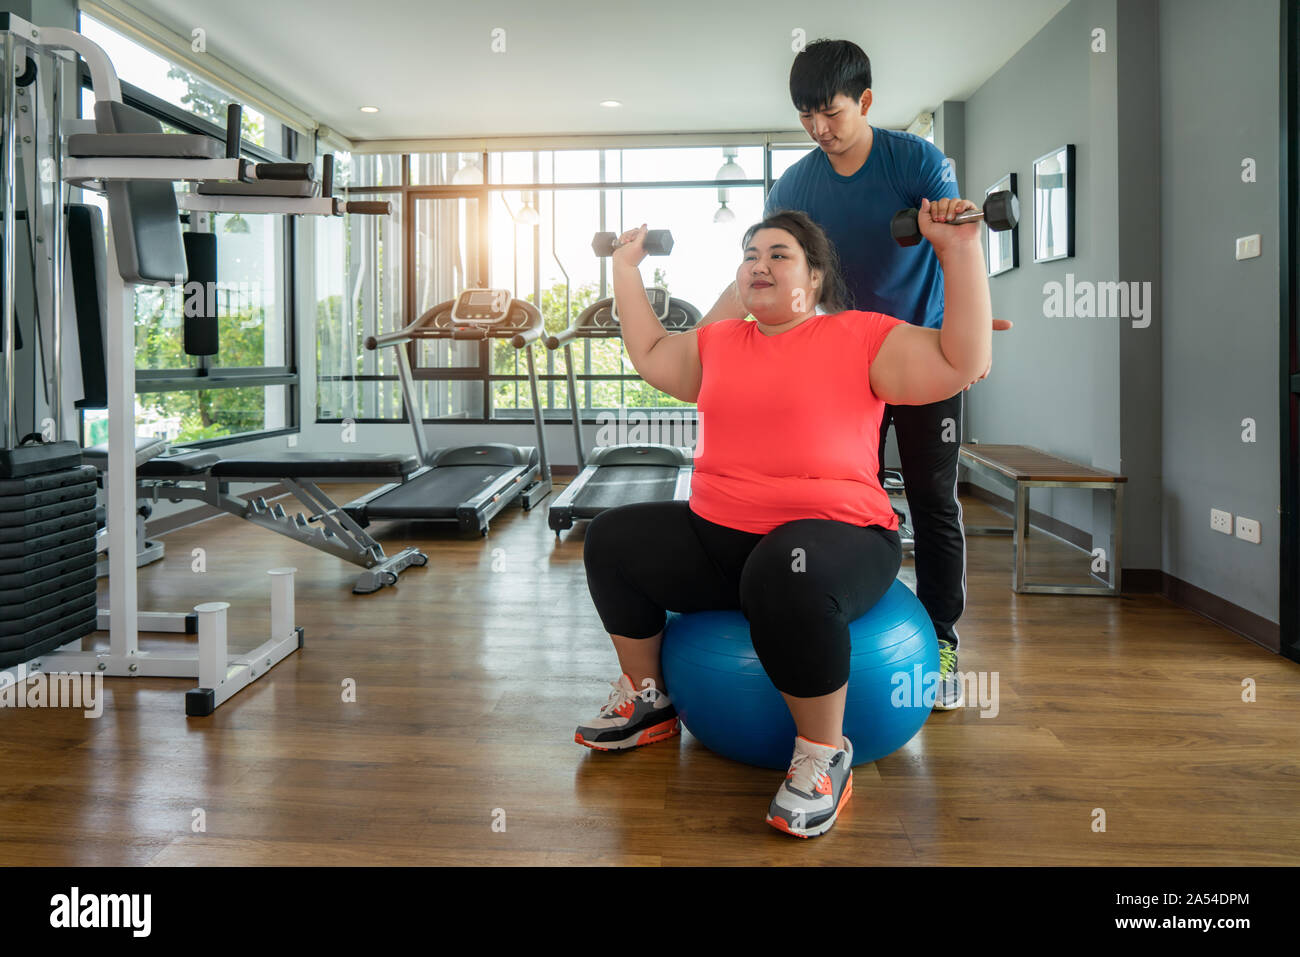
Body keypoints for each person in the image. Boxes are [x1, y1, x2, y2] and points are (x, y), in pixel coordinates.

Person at [574, 204, 992, 838]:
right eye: (749, 255)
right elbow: (652, 351)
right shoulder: (718, 343)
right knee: (613, 539)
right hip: (722, 536)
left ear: (815, 278)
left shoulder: (861, 336)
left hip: (842, 537)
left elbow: (961, 360)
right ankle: (649, 697)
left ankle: (824, 755)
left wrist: (959, 249)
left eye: (778, 255)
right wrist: (624, 268)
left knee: (784, 569)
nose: (759, 264)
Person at [698, 39, 1011, 710]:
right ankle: (832, 616)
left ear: (866, 102)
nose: (818, 129)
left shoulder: (917, 162)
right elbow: (780, 275)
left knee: (931, 501)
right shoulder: (794, 187)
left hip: (916, 356)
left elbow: (956, 248)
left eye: (831, 113)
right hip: (835, 369)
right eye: (806, 116)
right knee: (830, 503)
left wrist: (968, 333)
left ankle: (943, 638)